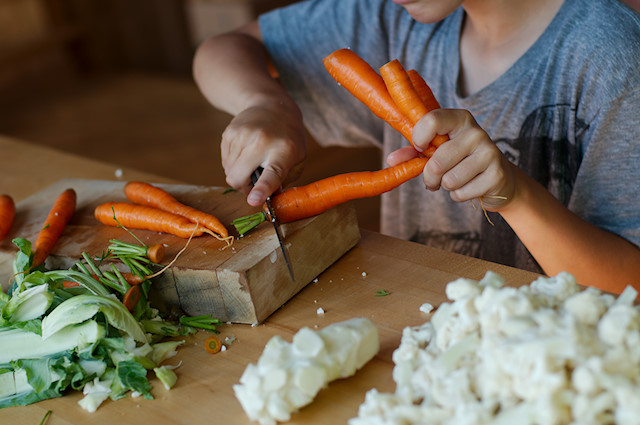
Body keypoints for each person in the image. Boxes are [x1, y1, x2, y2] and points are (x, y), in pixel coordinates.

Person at [193, 0, 640, 291]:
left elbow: (630, 287)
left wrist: (516, 196)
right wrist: (265, 103)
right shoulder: (394, 16)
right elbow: (223, 48)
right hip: (421, 326)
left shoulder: (612, 55)